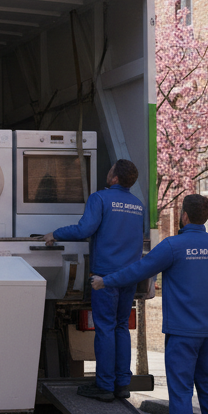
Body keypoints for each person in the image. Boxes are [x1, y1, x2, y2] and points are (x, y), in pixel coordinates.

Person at [100, 194, 208, 414]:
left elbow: (138, 270)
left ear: (184, 216)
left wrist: (105, 281)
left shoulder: (173, 246)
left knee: (180, 395)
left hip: (182, 331)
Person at [43, 159, 145, 401]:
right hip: (129, 275)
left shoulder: (100, 198)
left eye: (110, 170)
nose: (107, 173)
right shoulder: (138, 205)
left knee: (106, 328)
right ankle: (122, 384)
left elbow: (84, 230)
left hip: (105, 276)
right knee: (121, 327)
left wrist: (55, 234)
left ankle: (105, 385)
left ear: (115, 178)